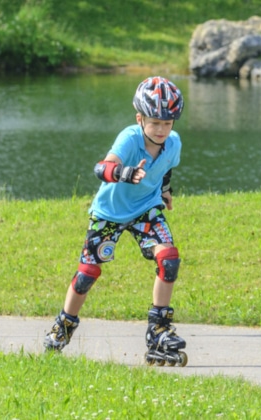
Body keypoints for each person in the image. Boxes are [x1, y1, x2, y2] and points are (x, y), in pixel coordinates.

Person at [43, 76, 190, 368]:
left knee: (169, 260)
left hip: (146, 210)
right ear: (140, 119)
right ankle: (64, 326)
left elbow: (165, 169)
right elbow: (102, 167)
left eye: (167, 123)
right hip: (109, 213)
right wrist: (125, 173)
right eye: (154, 123)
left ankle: (158, 330)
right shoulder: (130, 138)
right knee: (87, 274)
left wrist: (164, 191)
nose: (161, 130)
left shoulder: (173, 143)